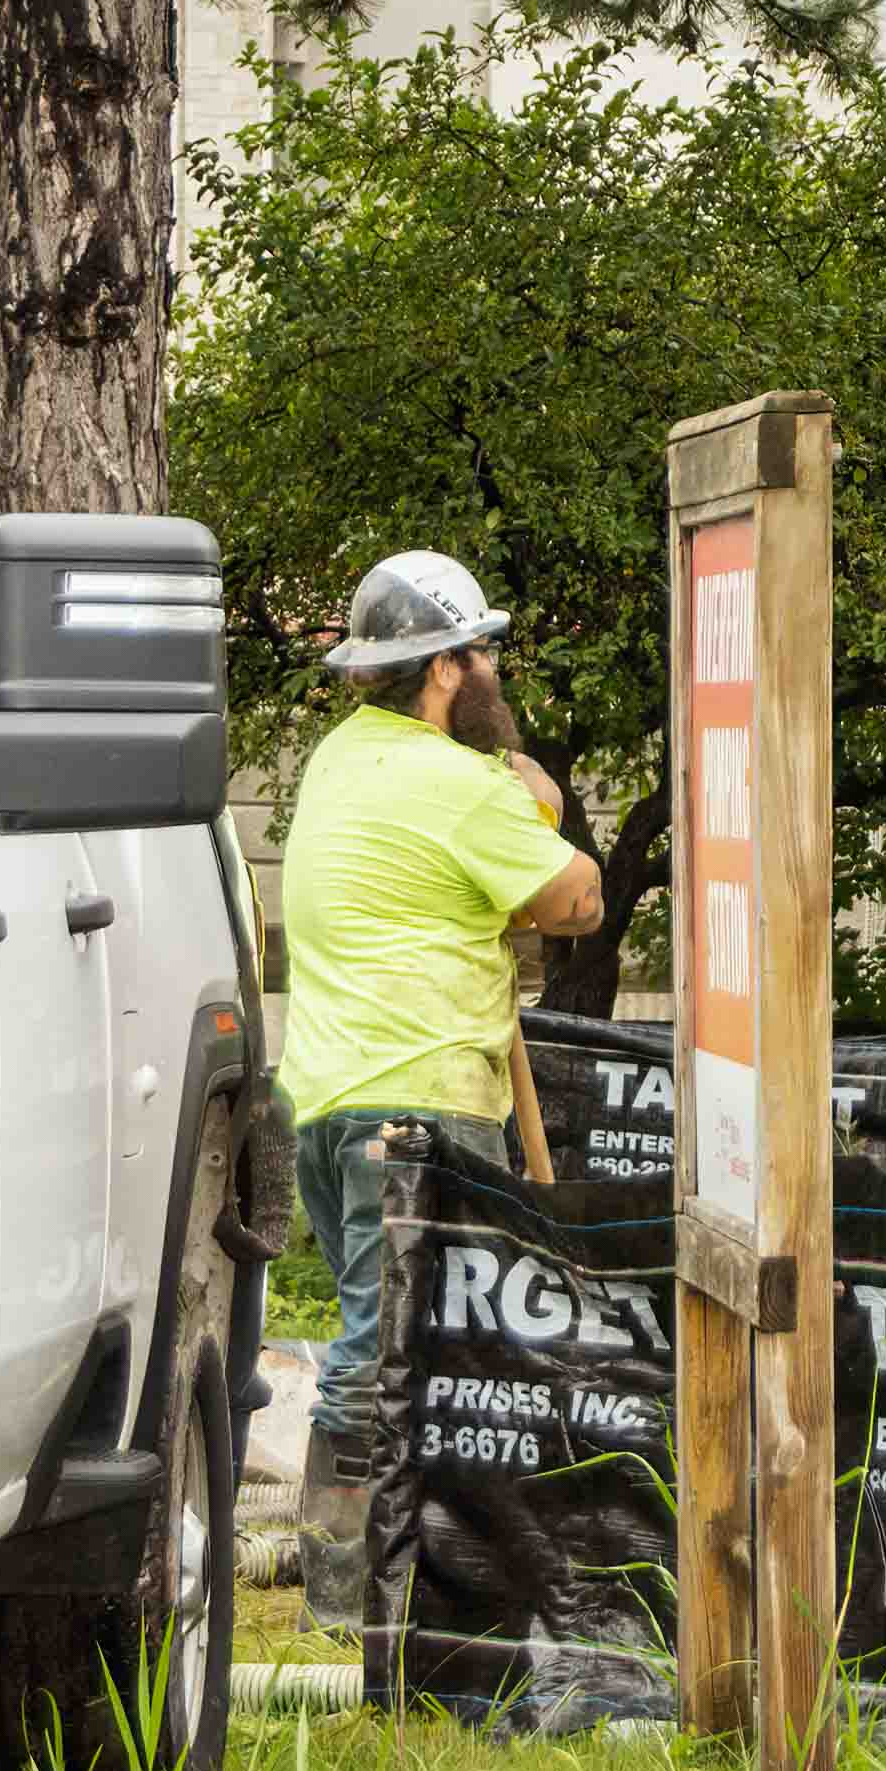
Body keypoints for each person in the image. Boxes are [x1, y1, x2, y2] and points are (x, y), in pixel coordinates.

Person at [278, 550, 603, 1555]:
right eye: (483, 652)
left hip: (329, 1105)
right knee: (386, 1351)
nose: (494, 668)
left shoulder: (340, 759)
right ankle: (347, 1586)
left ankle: (425, 1567)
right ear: (448, 669)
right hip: (416, 1110)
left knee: (403, 1337)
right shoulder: (462, 787)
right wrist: (534, 804)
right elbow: (575, 901)